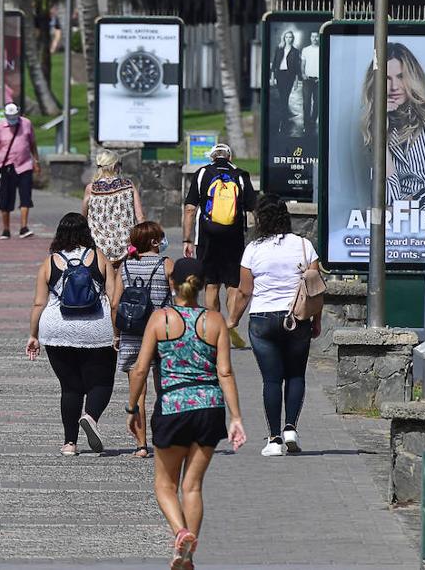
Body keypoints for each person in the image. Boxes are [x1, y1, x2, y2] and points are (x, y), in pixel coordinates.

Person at [124, 257, 246, 570]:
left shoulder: (161, 319)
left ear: (172, 284)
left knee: (164, 485)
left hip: (172, 407)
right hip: (209, 408)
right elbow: (226, 373)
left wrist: (132, 405)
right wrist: (236, 418)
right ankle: (187, 555)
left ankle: (180, 533)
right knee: (192, 486)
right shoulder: (215, 320)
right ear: (202, 285)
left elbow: (140, 369)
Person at [229, 197, 322, 456]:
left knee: (271, 379)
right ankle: (291, 427)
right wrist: (317, 321)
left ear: (260, 219)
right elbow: (314, 289)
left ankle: (273, 439)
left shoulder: (253, 249)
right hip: (297, 317)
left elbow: (244, 291)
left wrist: (233, 319)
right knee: (295, 375)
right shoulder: (304, 246)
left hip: (262, 319)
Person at [25, 213, 119, 456]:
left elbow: (38, 303)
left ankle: (69, 444)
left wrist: (33, 335)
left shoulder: (50, 262)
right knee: (102, 381)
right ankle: (90, 416)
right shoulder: (99, 257)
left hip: (57, 329)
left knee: (70, 387)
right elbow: (113, 297)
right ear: (86, 232)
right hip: (97, 329)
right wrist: (117, 331)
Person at [360, 41, 425, 211]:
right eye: (387, 78)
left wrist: (412, 201)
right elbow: (388, 199)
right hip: (400, 226)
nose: (394, 87)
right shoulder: (378, 124)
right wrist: (381, 133)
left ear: (412, 77)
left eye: (401, 76)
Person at [112, 221, 174, 458]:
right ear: (154, 241)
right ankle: (164, 440)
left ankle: (141, 445)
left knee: (138, 391)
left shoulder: (125, 267)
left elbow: (116, 304)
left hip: (132, 333)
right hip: (162, 333)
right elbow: (177, 300)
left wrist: (117, 334)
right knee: (164, 389)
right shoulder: (166, 265)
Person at [182, 143, 257, 316]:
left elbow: (190, 209)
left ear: (212, 157)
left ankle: (213, 329)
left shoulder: (202, 173)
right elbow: (254, 207)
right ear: (230, 157)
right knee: (233, 284)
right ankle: (230, 325)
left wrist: (187, 239)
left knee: (211, 284)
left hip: (206, 237)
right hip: (234, 238)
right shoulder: (240, 175)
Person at [0, 103, 40, 240]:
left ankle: (24, 227)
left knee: (26, 196)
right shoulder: (0, 127)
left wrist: (36, 162)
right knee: (5, 199)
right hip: (7, 167)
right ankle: (6, 229)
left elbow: (32, 143)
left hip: (25, 165)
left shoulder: (26, 123)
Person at [82, 149, 144, 263]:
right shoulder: (128, 185)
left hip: (99, 246)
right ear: (115, 166)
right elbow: (140, 217)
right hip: (126, 246)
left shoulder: (92, 189)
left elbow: (83, 218)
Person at [270, 30, 301, 136]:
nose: (289, 39)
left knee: (285, 97)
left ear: (293, 38)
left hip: (289, 76)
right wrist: (272, 77)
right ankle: (284, 118)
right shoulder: (279, 49)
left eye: (290, 37)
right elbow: (274, 64)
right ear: (284, 38)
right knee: (282, 97)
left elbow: (297, 68)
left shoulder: (295, 51)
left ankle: (283, 120)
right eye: (287, 37)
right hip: (280, 75)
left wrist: (296, 81)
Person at [301, 31, 320, 133]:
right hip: (307, 80)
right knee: (306, 103)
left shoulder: (322, 49)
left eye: (316, 36)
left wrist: (321, 77)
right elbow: (303, 64)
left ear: (318, 38)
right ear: (310, 38)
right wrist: (303, 74)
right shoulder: (305, 50)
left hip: (318, 80)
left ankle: (312, 121)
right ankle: (306, 124)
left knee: (317, 103)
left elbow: (324, 64)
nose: (315, 38)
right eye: (313, 36)